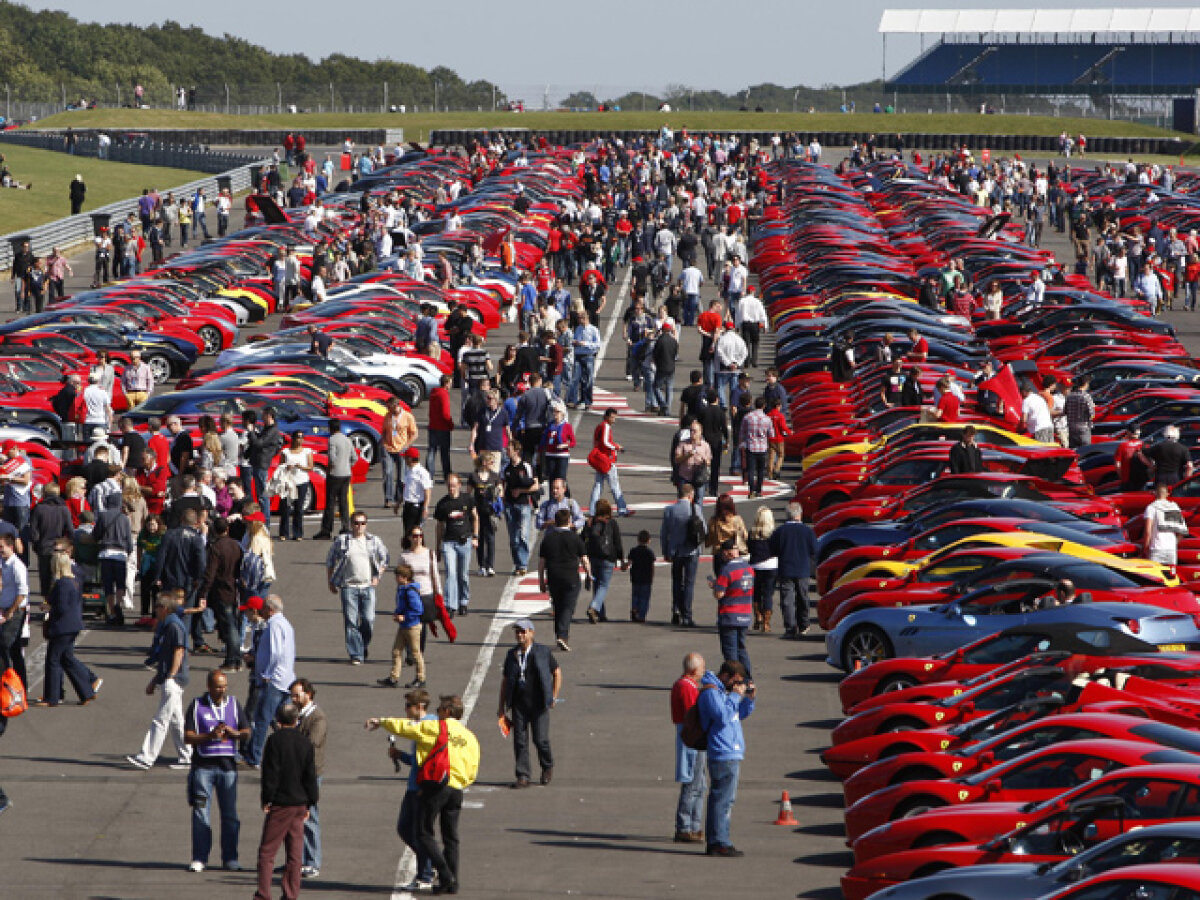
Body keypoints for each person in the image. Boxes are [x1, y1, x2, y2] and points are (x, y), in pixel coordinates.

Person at [367, 695, 480, 896]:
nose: (436, 714)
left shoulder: (438, 728)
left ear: (446, 712)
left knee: (423, 832)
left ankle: (444, 873)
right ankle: (452, 883)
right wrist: (461, 782)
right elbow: (473, 767)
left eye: (439, 710)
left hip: (437, 787)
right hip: (457, 789)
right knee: (451, 837)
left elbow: (408, 727)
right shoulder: (469, 736)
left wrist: (382, 722)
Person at [184, 669, 249, 874]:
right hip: (203, 767)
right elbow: (188, 736)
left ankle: (230, 857)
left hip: (227, 768)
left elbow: (247, 731)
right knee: (201, 813)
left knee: (230, 815)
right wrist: (209, 736)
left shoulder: (234, 704)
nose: (222, 690)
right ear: (209, 687)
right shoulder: (197, 705)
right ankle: (199, 857)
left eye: (224, 685)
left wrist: (235, 733)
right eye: (218, 686)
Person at [255, 702, 319, 900]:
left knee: (267, 852)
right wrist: (310, 802)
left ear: (278, 720)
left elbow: (271, 773)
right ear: (296, 720)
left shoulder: (274, 741)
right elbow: (310, 775)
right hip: (300, 803)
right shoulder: (305, 742)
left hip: (281, 803)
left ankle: (264, 894)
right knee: (294, 854)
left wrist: (267, 798)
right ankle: (291, 894)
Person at [127, 591, 192, 770]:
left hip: (174, 679)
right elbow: (165, 656)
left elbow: (179, 651)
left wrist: (170, 676)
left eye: (156, 606)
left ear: (164, 608)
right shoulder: (167, 624)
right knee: (176, 721)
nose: (154, 610)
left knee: (161, 719)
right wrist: (156, 680)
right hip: (169, 677)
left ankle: (146, 757)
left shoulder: (173, 626)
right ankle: (187, 756)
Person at [697, 660, 755, 858]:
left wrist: (748, 699)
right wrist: (735, 696)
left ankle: (719, 840)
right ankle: (719, 842)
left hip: (731, 751)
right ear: (726, 676)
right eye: (736, 682)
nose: (736, 686)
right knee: (723, 800)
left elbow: (738, 715)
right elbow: (721, 717)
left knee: (724, 800)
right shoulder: (711, 692)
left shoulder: (724, 693)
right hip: (722, 752)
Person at [497, 619, 561, 788]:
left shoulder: (542, 652)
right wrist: (501, 707)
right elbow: (505, 681)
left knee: (541, 739)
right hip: (519, 705)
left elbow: (557, 672)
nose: (520, 635)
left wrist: (553, 696)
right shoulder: (512, 655)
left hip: (539, 705)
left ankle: (547, 766)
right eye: (517, 632)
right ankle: (523, 775)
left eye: (523, 631)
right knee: (520, 741)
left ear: (531, 633)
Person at [37, 550, 99, 706]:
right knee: (67, 659)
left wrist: (49, 608)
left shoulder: (62, 583)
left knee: (53, 660)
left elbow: (62, 607)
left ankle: (52, 697)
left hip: (63, 627)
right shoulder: (73, 581)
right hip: (72, 625)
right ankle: (86, 692)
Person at [325, 513, 390, 665]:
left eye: (362, 523)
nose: (359, 526)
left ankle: (362, 644)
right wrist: (330, 581)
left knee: (368, 619)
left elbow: (385, 558)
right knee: (351, 622)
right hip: (349, 587)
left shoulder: (373, 541)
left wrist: (378, 576)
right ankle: (356, 654)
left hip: (368, 586)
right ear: (351, 524)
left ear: (366, 524)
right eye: (356, 523)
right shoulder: (343, 540)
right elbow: (330, 560)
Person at [245, 594, 297, 768]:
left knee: (262, 719)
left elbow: (275, 652)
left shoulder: (274, 625)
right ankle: (291, 754)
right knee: (286, 721)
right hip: (287, 678)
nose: (261, 611)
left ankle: (253, 757)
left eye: (264, 608)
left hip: (274, 680)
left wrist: (267, 674)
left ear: (270, 609)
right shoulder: (286, 624)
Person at [538, 509, 591, 652]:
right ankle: (562, 635)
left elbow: (542, 562)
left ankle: (559, 634)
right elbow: (584, 560)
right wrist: (589, 574)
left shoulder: (548, 539)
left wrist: (541, 581)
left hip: (554, 577)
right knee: (568, 607)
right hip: (571, 577)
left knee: (558, 605)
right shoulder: (575, 538)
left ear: (555, 522)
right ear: (569, 522)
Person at [290, 678, 327, 879]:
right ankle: (296, 860)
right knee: (294, 819)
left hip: (310, 775)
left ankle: (312, 861)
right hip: (296, 773)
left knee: (309, 817)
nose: (293, 699)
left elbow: (312, 743)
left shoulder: (317, 718)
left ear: (308, 694)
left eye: (297, 695)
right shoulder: (297, 715)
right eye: (292, 696)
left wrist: (290, 736)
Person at [197, 517, 244, 672]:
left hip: (221, 590)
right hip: (234, 588)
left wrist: (203, 593)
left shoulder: (216, 548)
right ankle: (236, 659)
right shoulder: (235, 545)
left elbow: (210, 573)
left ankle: (232, 659)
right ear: (227, 529)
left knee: (228, 626)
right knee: (233, 624)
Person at [670, 652, 707, 843]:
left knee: (699, 784)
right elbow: (691, 714)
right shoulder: (686, 687)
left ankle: (694, 825)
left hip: (693, 735)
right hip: (692, 737)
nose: (704, 671)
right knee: (693, 783)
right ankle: (685, 826)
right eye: (702, 668)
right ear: (693, 670)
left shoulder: (687, 685)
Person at [769, 503, 816, 639]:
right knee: (803, 597)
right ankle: (804, 623)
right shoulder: (807, 531)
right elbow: (814, 550)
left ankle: (790, 627)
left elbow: (772, 550)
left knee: (787, 600)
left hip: (786, 569)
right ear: (799, 514)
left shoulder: (780, 531)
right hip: (803, 569)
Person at [434, 474, 478, 616]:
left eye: (453, 485)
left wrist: (475, 536)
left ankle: (463, 601)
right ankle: (450, 604)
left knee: (463, 575)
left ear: (459, 485)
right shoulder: (443, 504)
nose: (451, 488)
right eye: (449, 486)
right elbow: (439, 526)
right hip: (449, 543)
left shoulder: (467, 499)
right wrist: (438, 546)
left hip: (464, 541)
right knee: (451, 574)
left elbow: (475, 517)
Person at [711, 540, 754, 676]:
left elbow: (719, 594)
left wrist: (715, 586)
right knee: (741, 649)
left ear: (726, 553)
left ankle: (734, 679)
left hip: (729, 614)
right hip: (745, 613)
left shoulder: (727, 569)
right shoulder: (748, 568)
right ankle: (747, 678)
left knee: (730, 652)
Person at [662, 484, 703, 627]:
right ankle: (687, 615)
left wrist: (665, 551)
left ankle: (675, 610)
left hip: (676, 551)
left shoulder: (670, 510)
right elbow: (702, 530)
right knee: (689, 583)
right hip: (692, 550)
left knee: (676, 582)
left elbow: (664, 534)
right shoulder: (696, 509)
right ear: (690, 495)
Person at [383, 563, 426, 689]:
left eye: (398, 576)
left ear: (404, 577)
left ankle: (421, 677)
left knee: (416, 652)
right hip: (404, 626)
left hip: (412, 626)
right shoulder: (403, 589)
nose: (396, 579)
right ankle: (394, 677)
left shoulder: (410, 592)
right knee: (396, 651)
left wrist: (404, 617)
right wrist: (397, 614)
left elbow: (418, 610)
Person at [582, 499, 625, 624]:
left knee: (597, 584)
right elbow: (617, 542)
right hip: (608, 557)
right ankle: (594, 607)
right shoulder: (611, 523)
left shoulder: (590, 522)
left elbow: (583, 537)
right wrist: (621, 558)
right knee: (603, 585)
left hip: (593, 557)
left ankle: (600, 613)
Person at [501, 443, 539, 576]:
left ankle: (523, 564)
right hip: (510, 505)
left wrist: (521, 490)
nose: (507, 451)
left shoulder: (526, 466)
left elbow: (535, 486)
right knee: (513, 538)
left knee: (523, 535)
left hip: (523, 504)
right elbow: (501, 482)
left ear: (516, 451)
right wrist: (501, 495)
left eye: (509, 449)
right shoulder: (506, 467)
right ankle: (517, 563)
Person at [313, 421, 352, 540]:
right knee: (343, 502)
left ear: (330, 428)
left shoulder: (332, 440)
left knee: (330, 503)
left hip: (335, 474)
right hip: (346, 473)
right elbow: (354, 457)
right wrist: (347, 465)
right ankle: (346, 527)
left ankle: (326, 530)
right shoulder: (347, 439)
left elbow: (332, 458)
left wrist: (329, 469)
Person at [588, 408, 630, 517]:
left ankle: (592, 511)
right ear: (606, 417)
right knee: (615, 486)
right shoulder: (605, 426)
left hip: (599, 460)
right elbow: (606, 442)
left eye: (615, 417)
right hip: (606, 460)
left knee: (598, 486)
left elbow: (599, 442)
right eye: (612, 417)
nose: (614, 420)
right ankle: (622, 509)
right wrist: (617, 447)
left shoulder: (599, 426)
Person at [468, 452, 501, 577]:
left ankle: (490, 565)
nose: (493, 464)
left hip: (490, 512)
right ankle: (481, 565)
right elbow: (469, 493)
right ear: (484, 463)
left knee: (490, 538)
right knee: (479, 538)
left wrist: (494, 493)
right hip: (478, 511)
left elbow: (500, 491)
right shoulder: (474, 476)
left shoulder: (494, 476)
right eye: (491, 462)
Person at [746, 507, 777, 633]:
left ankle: (757, 615)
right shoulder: (774, 535)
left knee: (756, 592)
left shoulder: (752, 534)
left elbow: (749, 549)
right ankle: (766, 622)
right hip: (771, 565)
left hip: (755, 565)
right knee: (768, 594)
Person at [738, 398, 774, 499]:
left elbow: (742, 432)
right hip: (762, 448)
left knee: (751, 470)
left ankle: (751, 490)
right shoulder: (767, 419)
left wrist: (742, 442)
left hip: (751, 446)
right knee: (760, 471)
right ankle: (759, 490)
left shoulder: (748, 417)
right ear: (764, 406)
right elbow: (771, 434)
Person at [1144, 483, 1187, 566]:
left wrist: (1145, 548)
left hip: (1156, 549)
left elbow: (1148, 531)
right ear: (1167, 494)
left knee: (1154, 578)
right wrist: (1174, 543)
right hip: (1171, 549)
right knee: (1170, 577)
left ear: (1155, 493)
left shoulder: (1151, 508)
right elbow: (1182, 532)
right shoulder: (1174, 508)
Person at [426, 374, 454, 483]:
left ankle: (429, 475)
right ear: (446, 383)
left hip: (433, 425)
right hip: (442, 427)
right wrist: (450, 424)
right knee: (444, 453)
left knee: (431, 451)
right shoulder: (444, 394)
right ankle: (447, 474)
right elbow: (445, 413)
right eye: (450, 383)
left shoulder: (434, 393)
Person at [539, 403, 575, 488]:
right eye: (554, 412)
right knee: (552, 480)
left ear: (562, 413)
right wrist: (539, 453)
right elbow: (544, 440)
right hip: (550, 454)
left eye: (557, 412)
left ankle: (565, 498)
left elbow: (573, 442)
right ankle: (552, 499)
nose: (555, 414)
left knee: (561, 479)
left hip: (562, 455)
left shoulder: (567, 426)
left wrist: (565, 445)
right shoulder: (550, 425)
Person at [400, 446, 433, 536]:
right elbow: (405, 487)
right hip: (407, 506)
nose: (404, 460)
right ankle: (408, 549)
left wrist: (425, 507)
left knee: (415, 534)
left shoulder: (422, 472)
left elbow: (427, 490)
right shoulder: (409, 471)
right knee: (407, 533)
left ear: (410, 459)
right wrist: (399, 502)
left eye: (406, 457)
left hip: (416, 507)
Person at [628, 530, 656, 623]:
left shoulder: (633, 551)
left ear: (638, 539)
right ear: (649, 540)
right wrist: (652, 576)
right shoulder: (649, 553)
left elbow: (629, 562)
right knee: (644, 597)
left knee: (635, 595)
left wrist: (624, 566)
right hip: (646, 578)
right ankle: (642, 615)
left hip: (635, 577)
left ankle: (634, 609)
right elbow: (652, 566)